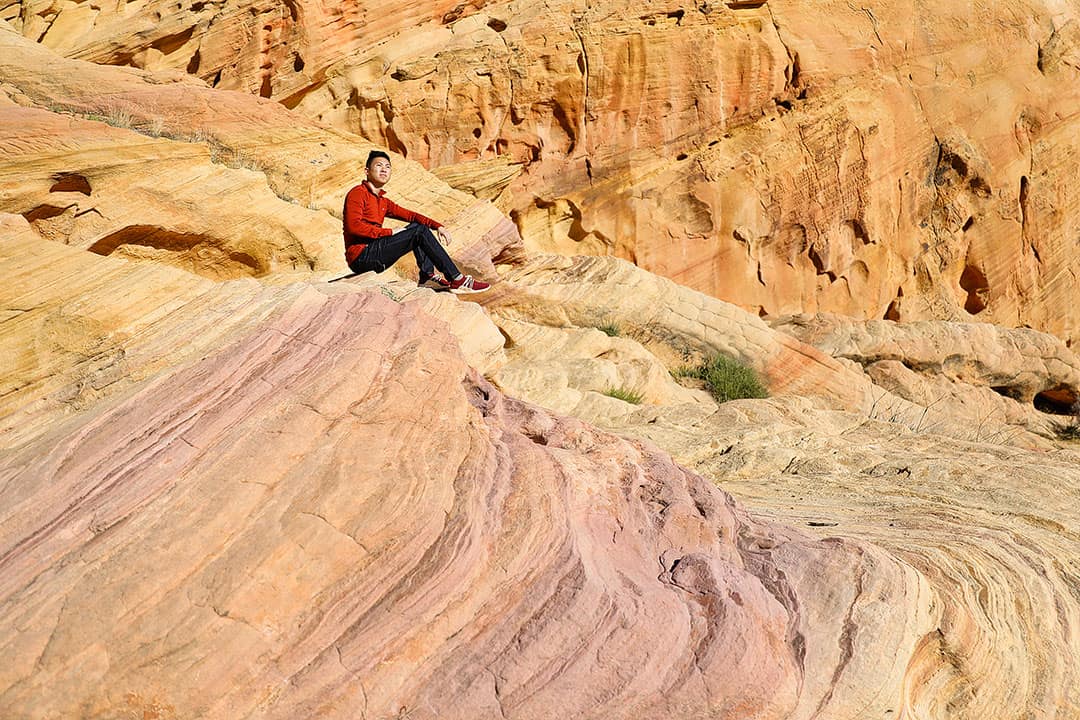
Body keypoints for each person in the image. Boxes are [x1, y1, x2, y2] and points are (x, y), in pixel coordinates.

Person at [342, 150, 490, 294]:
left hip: (375, 252)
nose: (384, 170)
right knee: (418, 232)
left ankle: (427, 277)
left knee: (418, 226)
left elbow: (411, 216)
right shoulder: (358, 193)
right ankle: (457, 279)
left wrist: (438, 226)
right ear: (367, 171)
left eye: (387, 167)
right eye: (379, 165)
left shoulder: (383, 201)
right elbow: (354, 227)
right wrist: (390, 232)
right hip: (361, 257)